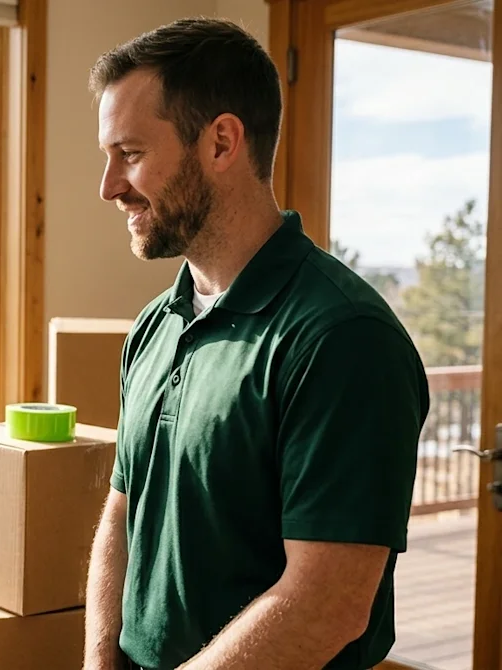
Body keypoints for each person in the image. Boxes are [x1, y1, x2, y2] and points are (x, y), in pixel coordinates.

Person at [82, 17, 429, 670]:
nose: (109, 186)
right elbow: (123, 515)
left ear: (221, 142)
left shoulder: (342, 338)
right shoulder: (155, 327)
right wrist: (100, 660)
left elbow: (326, 601)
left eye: (129, 154)